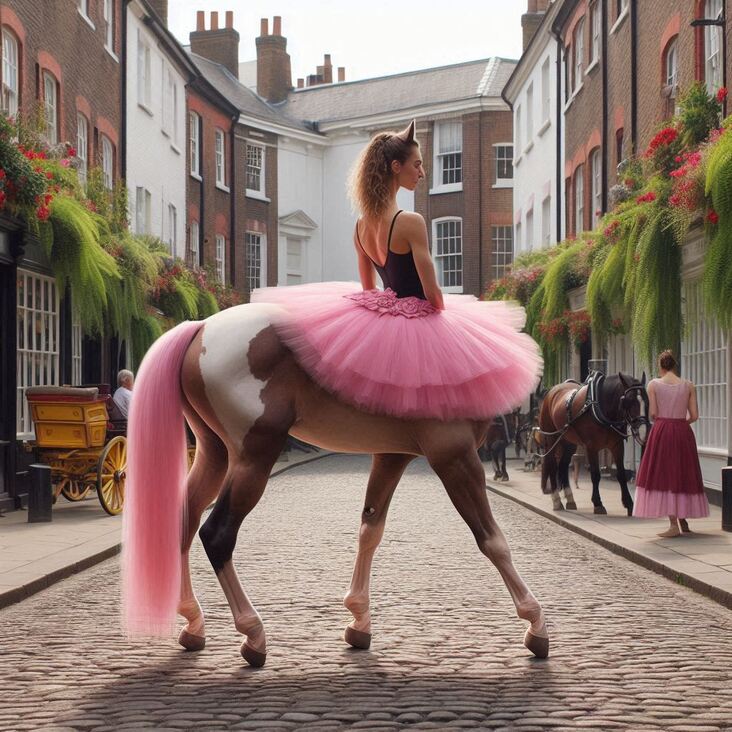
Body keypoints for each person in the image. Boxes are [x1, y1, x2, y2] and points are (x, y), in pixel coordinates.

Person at [251, 120, 542, 421]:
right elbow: (433, 295)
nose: (422, 173)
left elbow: (368, 290)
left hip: (389, 317)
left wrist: (390, 314)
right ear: (394, 166)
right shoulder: (410, 222)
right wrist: (445, 319)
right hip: (419, 316)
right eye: (416, 165)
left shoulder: (360, 227)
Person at [633, 350, 709, 537]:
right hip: (683, 431)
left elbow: (653, 413)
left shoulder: (654, 384)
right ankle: (683, 521)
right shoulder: (688, 385)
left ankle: (673, 524)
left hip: (663, 430)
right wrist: (681, 424)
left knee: (664, 474)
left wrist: (666, 422)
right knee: (683, 472)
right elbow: (695, 416)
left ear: (661, 366)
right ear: (674, 365)